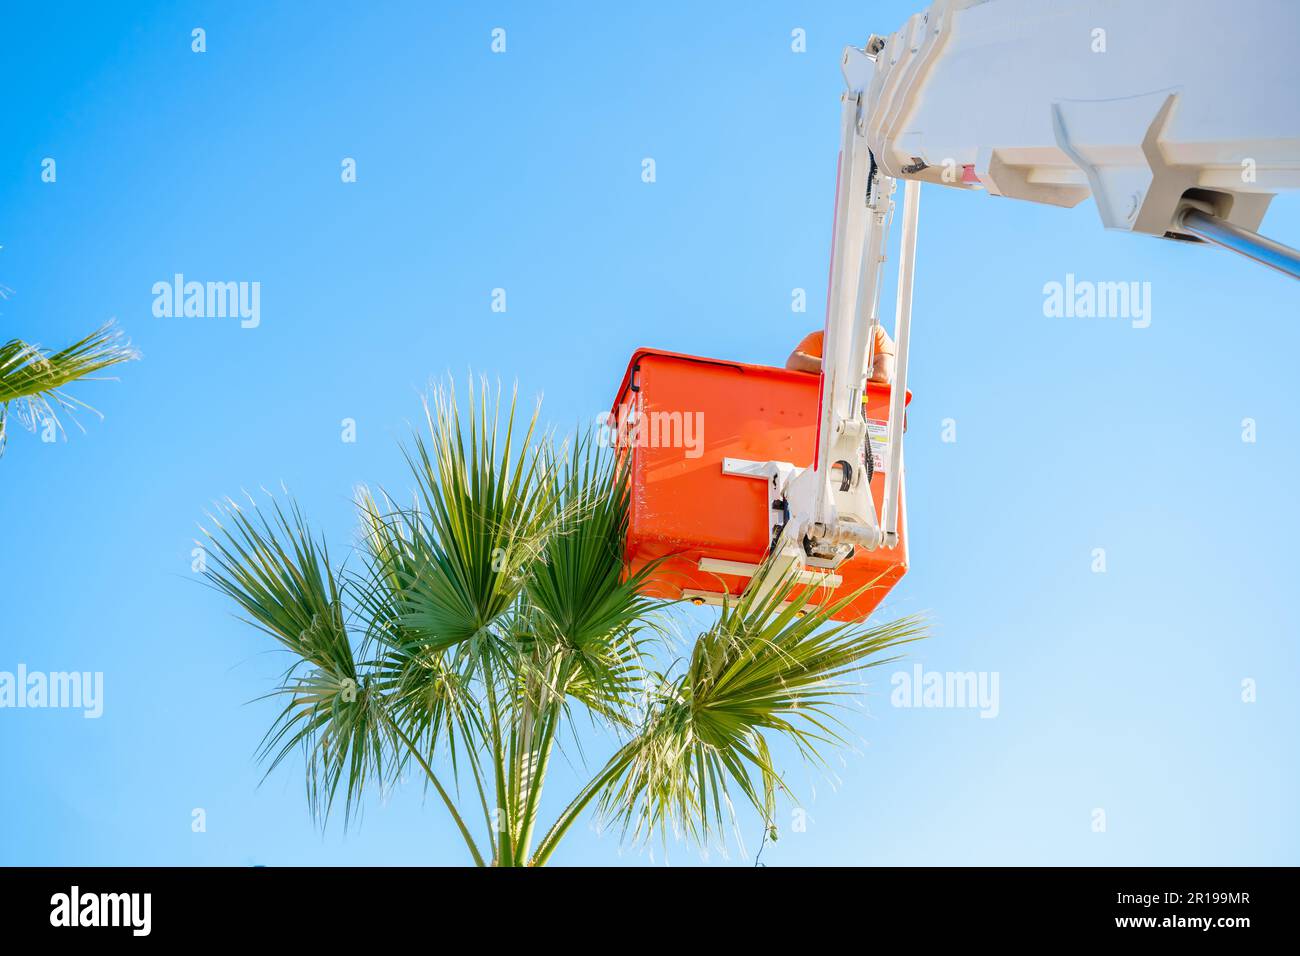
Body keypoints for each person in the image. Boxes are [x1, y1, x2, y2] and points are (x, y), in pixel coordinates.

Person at [785, 324, 895, 383]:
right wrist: (841, 370)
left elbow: (882, 373)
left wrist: (834, 371)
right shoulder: (821, 338)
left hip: (865, 407)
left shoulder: (875, 334)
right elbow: (794, 362)